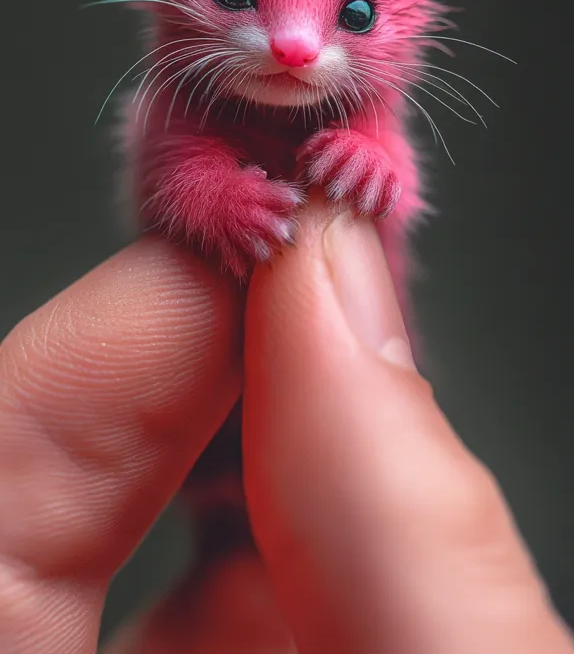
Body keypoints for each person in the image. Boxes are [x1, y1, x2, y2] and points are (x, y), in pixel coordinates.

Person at [0, 193, 571, 654]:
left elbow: (392, 182)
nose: (295, 47)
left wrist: (365, 168)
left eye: (356, 36)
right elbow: (173, 176)